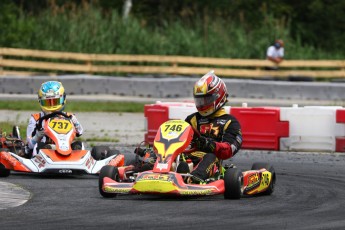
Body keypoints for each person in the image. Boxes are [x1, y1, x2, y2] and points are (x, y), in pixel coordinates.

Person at [183, 70, 242, 183]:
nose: (202, 104)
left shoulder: (230, 122)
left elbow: (229, 149)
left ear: (218, 97)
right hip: (189, 157)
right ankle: (149, 171)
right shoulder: (192, 119)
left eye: (206, 99)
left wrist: (210, 145)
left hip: (211, 163)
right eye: (199, 100)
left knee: (210, 157)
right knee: (164, 156)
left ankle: (193, 178)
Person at [25, 81, 84, 158]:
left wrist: (75, 122)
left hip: (66, 148)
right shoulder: (36, 118)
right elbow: (30, 145)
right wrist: (37, 136)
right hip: (46, 152)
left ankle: (77, 159)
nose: (52, 106)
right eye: (47, 102)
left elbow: (80, 132)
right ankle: (45, 155)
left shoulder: (69, 116)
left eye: (55, 101)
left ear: (63, 98)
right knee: (39, 146)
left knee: (78, 144)